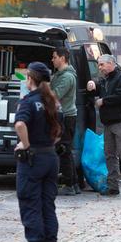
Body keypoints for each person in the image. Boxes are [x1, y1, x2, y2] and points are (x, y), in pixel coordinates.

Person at [13, 62, 63, 242]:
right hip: (50, 157)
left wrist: (25, 144)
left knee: (31, 205)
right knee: (47, 207)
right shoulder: (52, 102)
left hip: (32, 160)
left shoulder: (29, 101)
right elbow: (60, 132)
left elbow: (20, 124)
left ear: (30, 79)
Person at [86, 55, 121, 196]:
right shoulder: (105, 79)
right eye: (99, 65)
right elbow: (99, 87)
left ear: (111, 64)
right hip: (109, 123)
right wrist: (93, 85)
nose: (100, 68)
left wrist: (104, 101)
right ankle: (113, 186)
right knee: (109, 155)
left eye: (101, 65)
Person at [50, 47, 79, 196]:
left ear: (62, 58)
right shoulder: (60, 75)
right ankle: (73, 183)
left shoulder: (67, 77)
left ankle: (69, 184)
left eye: (54, 57)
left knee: (63, 150)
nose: (52, 60)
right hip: (65, 116)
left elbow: (55, 95)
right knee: (65, 150)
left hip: (66, 117)